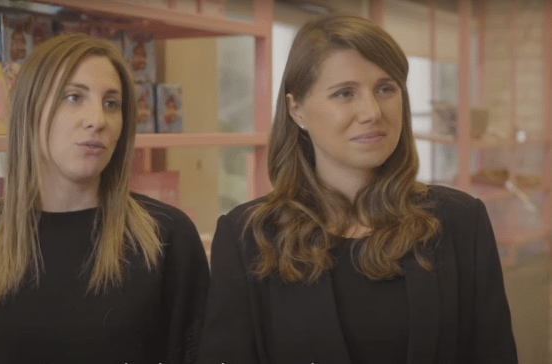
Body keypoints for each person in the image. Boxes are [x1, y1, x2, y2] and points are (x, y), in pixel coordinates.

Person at [197, 13, 517, 364]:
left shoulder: (460, 221)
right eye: (344, 93)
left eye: (385, 88)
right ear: (297, 109)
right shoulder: (249, 237)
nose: (372, 111)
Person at [0, 33, 210, 364]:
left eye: (111, 103)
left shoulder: (167, 236)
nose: (97, 120)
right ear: (30, 110)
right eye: (74, 97)